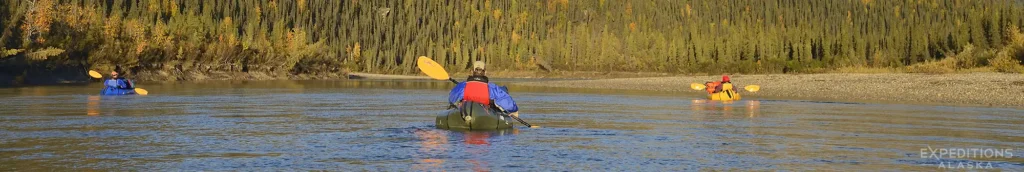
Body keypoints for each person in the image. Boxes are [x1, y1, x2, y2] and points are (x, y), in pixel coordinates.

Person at [448, 61, 520, 117]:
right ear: (485, 72)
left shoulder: (461, 86)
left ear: (472, 71)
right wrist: (514, 109)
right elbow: (510, 105)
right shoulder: (492, 88)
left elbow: (451, 99)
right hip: (486, 114)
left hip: (465, 112)